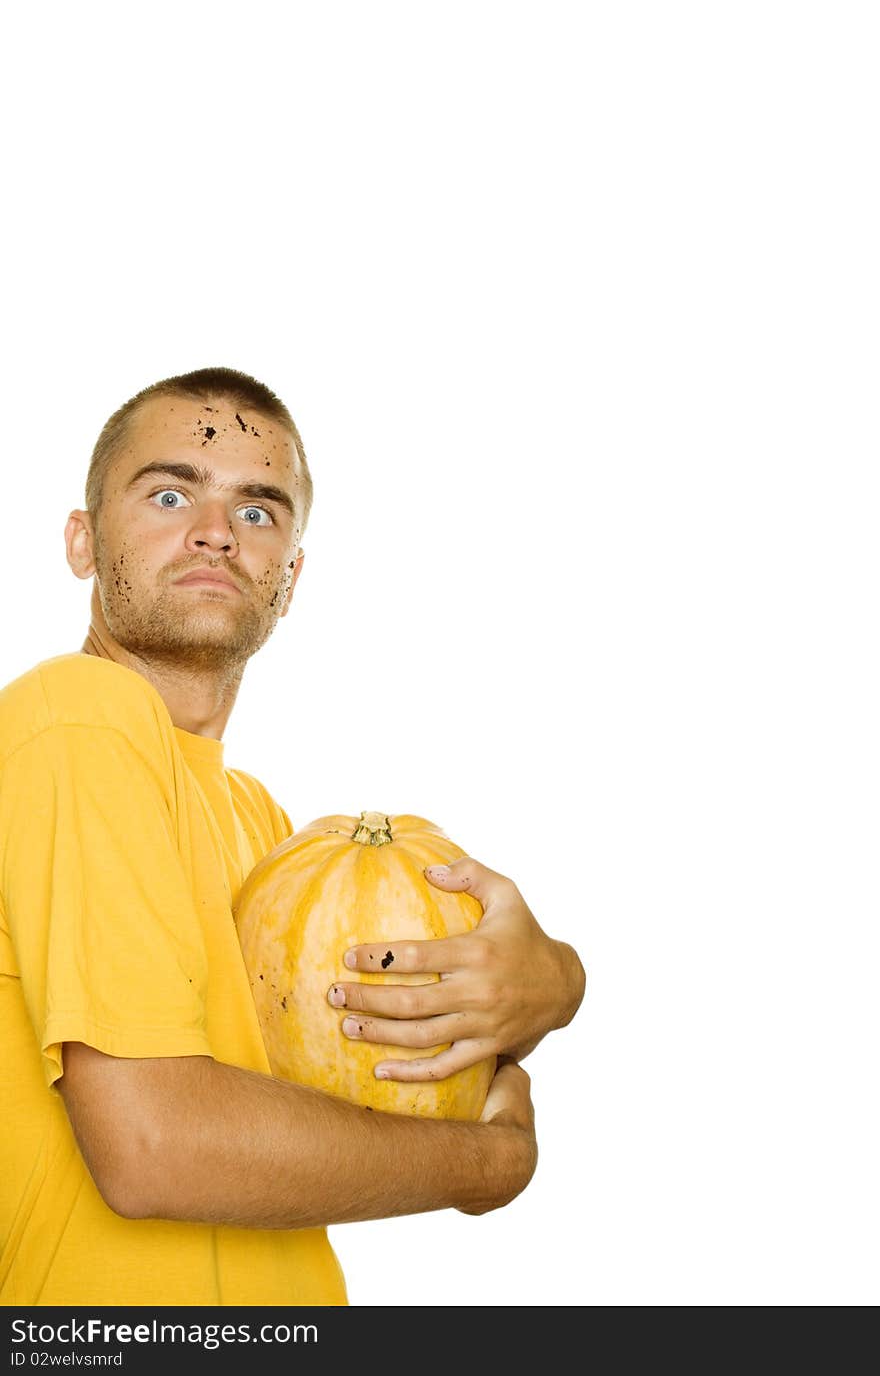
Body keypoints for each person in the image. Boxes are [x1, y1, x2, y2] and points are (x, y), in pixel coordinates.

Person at [0, 366, 586, 1307]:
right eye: (167, 494)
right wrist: (488, 1164)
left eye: (259, 512)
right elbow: (154, 1147)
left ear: (291, 577)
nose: (214, 533)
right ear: (80, 540)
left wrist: (548, 984)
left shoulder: (263, 824)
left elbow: (351, 1096)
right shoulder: (77, 719)